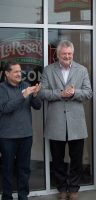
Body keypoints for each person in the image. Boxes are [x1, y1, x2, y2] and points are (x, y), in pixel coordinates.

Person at [39, 40, 93, 200]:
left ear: (73, 54)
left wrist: (75, 92)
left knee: (76, 159)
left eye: (69, 54)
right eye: (64, 54)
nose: (67, 56)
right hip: (56, 123)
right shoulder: (48, 70)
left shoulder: (82, 70)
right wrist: (59, 93)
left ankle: (74, 188)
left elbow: (88, 93)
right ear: (58, 55)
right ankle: (62, 188)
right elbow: (42, 93)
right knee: (57, 160)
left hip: (76, 123)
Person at [0, 61, 41, 200]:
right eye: (16, 71)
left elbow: (37, 106)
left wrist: (35, 95)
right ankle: (7, 196)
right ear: (7, 73)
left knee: (24, 169)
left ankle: (23, 196)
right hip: (7, 136)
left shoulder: (25, 86)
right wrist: (22, 96)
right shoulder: (2, 88)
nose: (20, 74)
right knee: (7, 169)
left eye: (20, 71)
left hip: (25, 135)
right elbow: (5, 108)